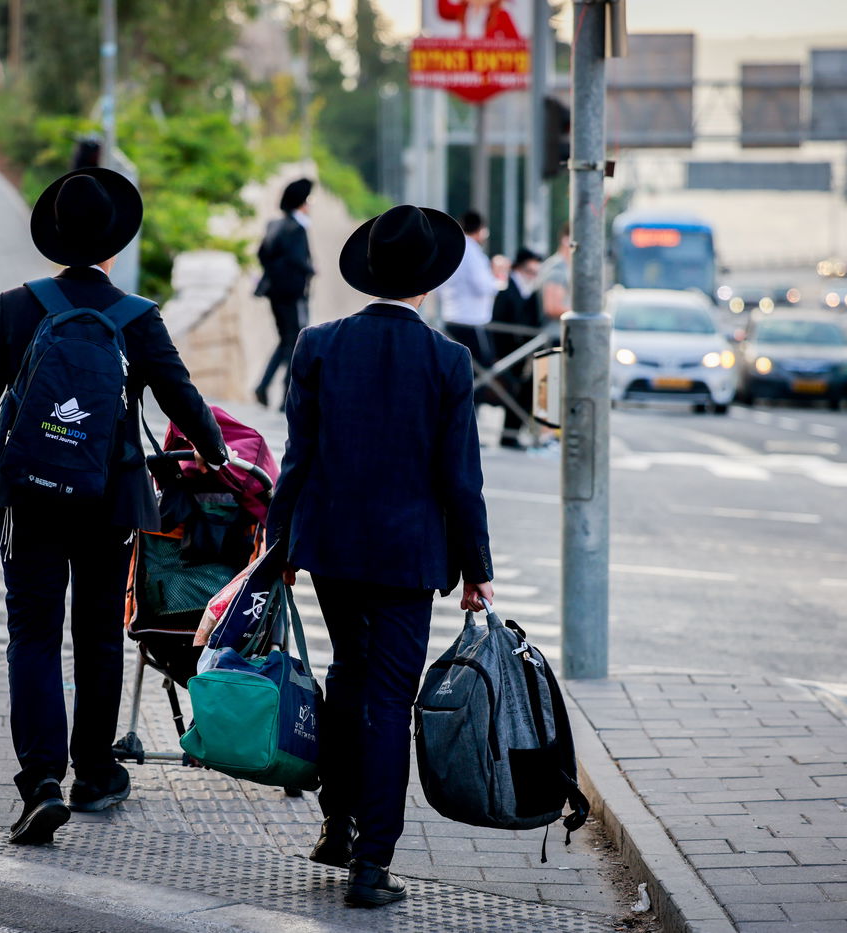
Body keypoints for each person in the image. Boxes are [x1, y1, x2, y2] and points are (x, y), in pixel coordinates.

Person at [0, 168, 228, 846]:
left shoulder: (19, 305)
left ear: (56, 238)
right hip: (110, 498)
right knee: (97, 633)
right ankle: (94, 772)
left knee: (32, 635)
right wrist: (215, 452)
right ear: (115, 245)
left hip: (29, 494)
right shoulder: (138, 317)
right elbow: (180, 394)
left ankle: (41, 784)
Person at [266, 204, 495, 908]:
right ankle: (372, 866)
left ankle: (335, 825)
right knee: (391, 698)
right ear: (428, 282)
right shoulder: (449, 360)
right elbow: (460, 477)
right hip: (408, 555)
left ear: (369, 273)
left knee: (348, 674)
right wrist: (477, 569)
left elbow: (298, 456)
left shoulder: (318, 345)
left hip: (333, 546)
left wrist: (278, 543)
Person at [254, 178, 316, 409]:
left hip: (275, 293)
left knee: (285, 340)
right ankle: (285, 397)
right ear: (301, 203)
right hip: (292, 295)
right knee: (294, 342)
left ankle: (264, 386)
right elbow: (299, 260)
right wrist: (311, 270)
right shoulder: (297, 228)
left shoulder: (274, 225)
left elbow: (262, 254)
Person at [439, 210, 502, 397]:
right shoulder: (473, 252)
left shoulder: (453, 248)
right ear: (481, 230)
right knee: (478, 372)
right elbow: (483, 285)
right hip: (472, 321)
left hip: (451, 318)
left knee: (453, 370)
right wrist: (497, 280)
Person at [490, 247, 543, 449]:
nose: (532, 276)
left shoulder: (528, 290)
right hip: (504, 351)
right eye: (530, 271)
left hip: (519, 351)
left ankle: (511, 434)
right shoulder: (506, 287)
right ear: (519, 268)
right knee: (507, 392)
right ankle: (508, 435)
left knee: (521, 391)